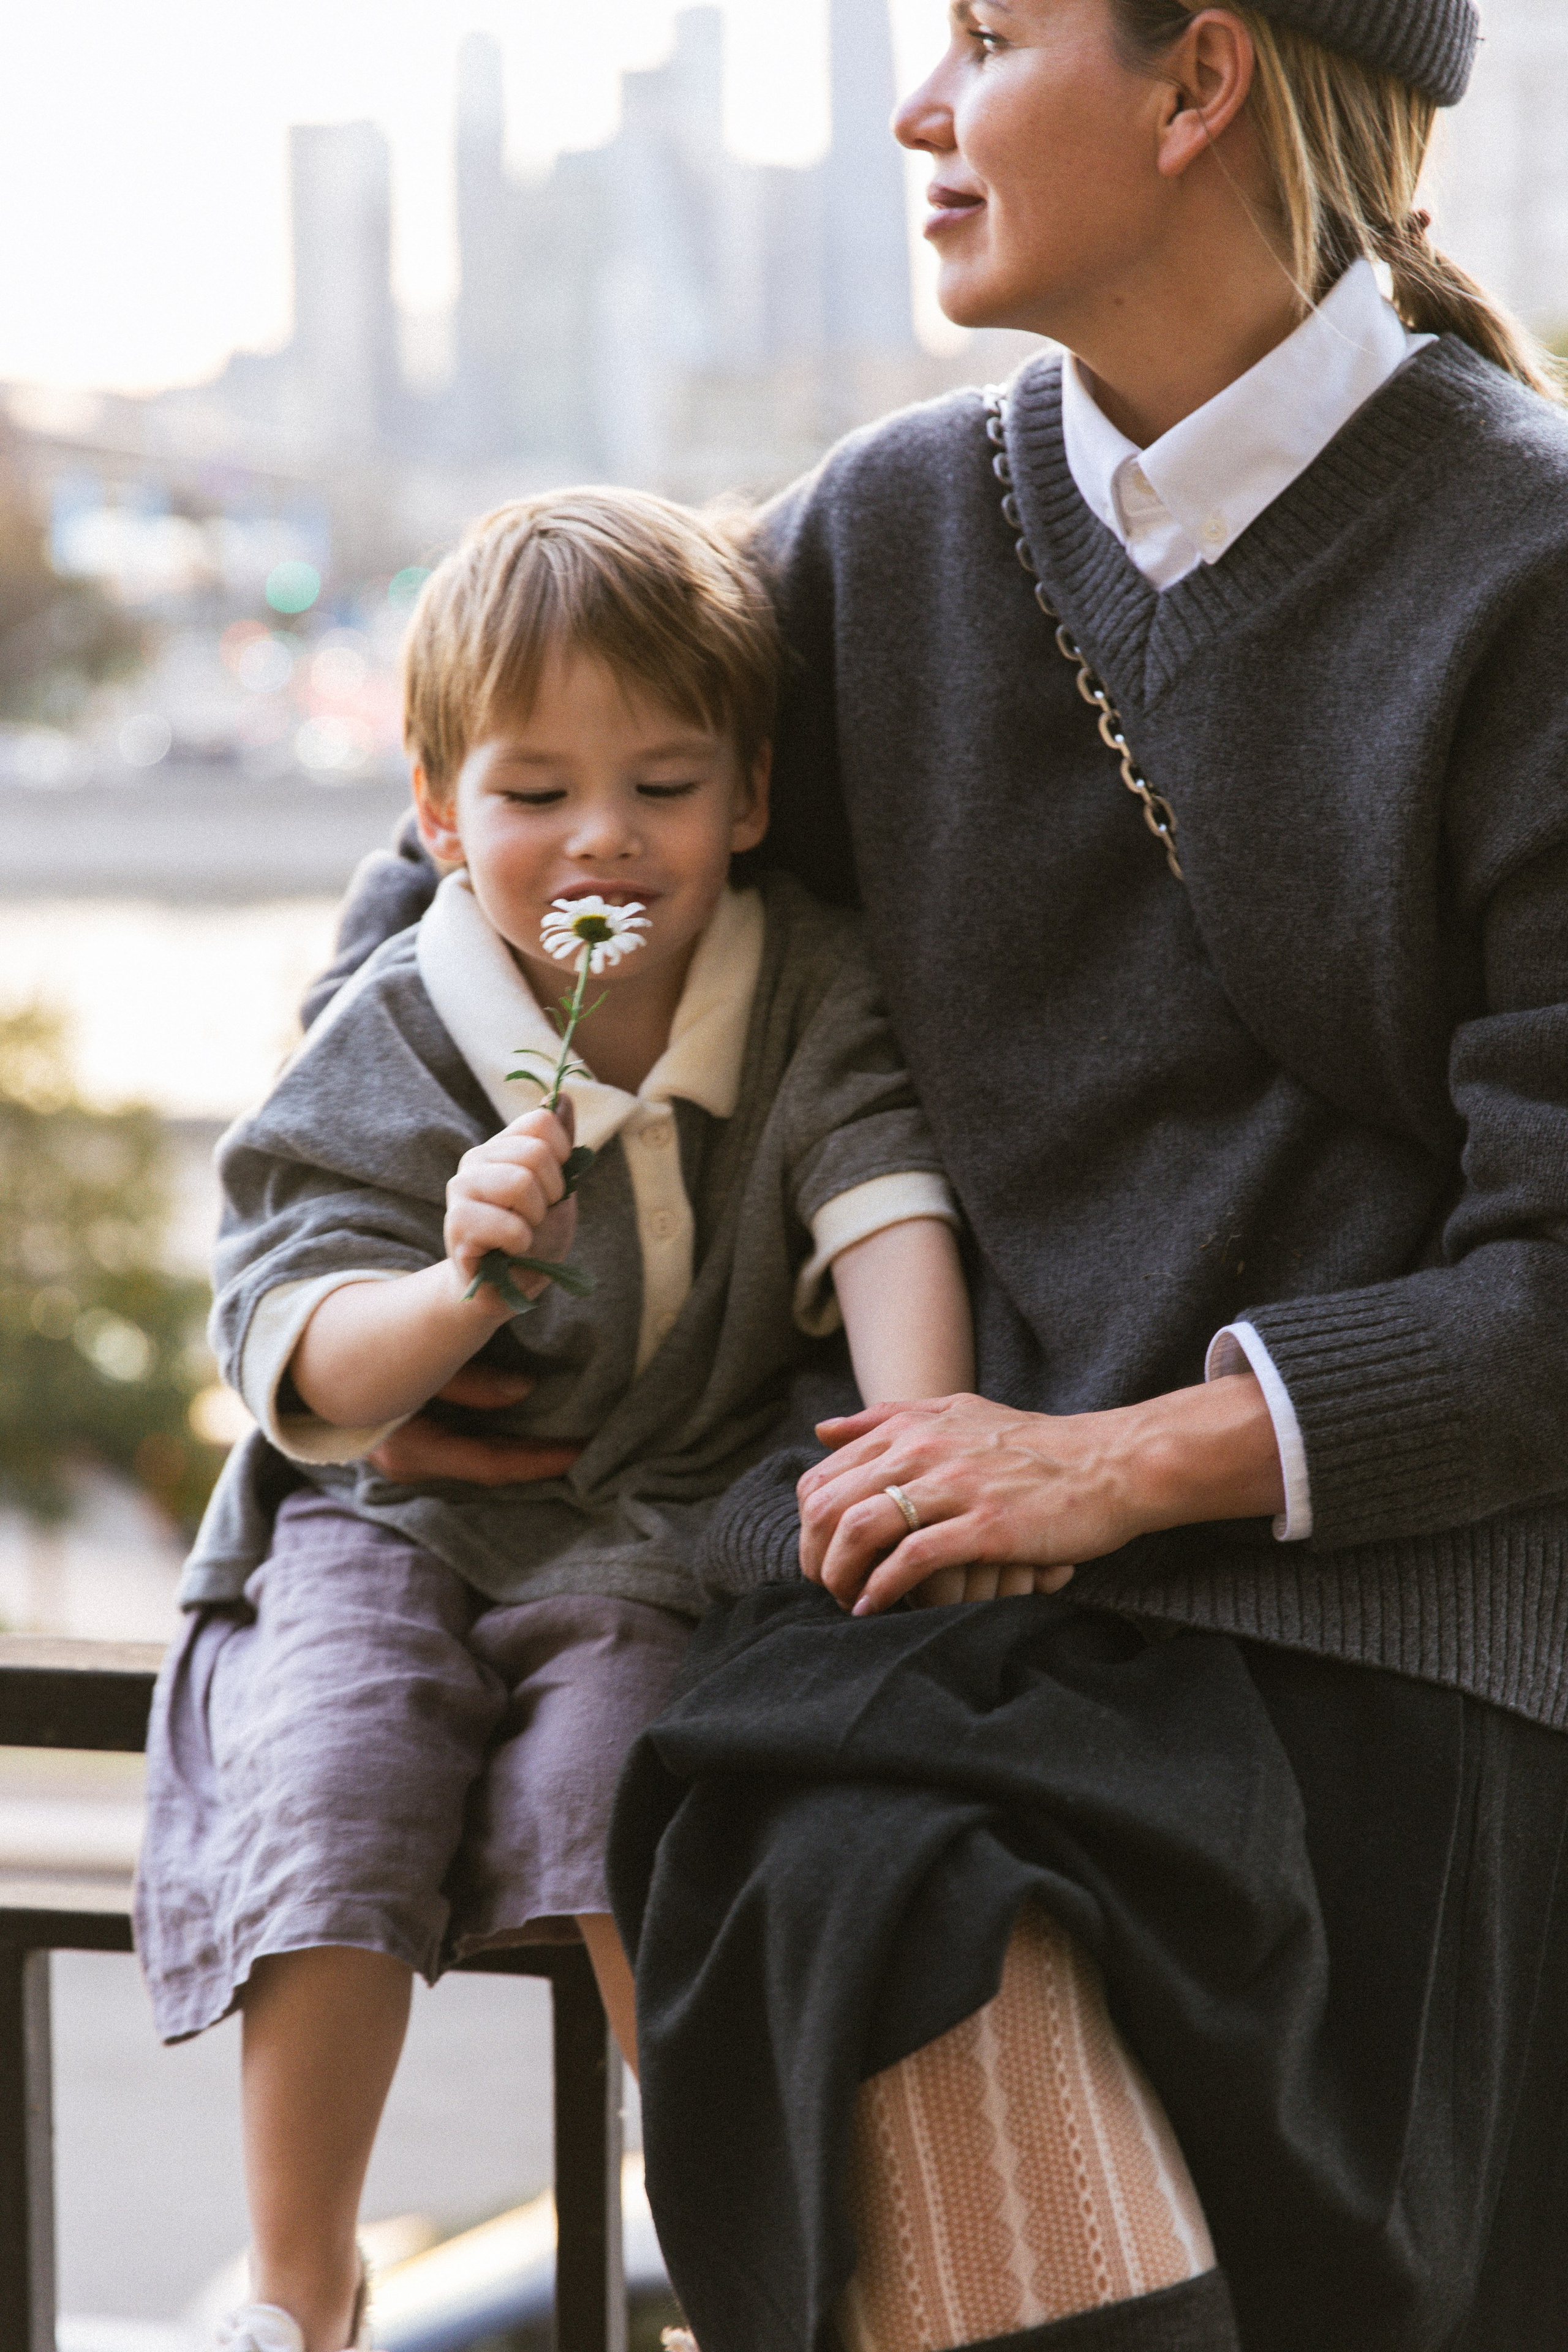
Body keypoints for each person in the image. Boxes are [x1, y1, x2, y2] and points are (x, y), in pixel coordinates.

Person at [325, 1, 1568, 2347]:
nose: (918, 107)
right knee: (843, 1858)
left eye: (988, 38)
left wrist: (1117, 1462)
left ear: (1199, 84)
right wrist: (419, 1306)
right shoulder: (895, 531)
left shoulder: (1526, 571)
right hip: (941, 1648)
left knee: (855, 1851)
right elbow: (454, 874)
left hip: (1388, 1662)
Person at [133, 489, 984, 2352]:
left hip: (651, 1518)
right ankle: (300, 2283)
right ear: (439, 817)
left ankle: (730, 2264)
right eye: (534, 798)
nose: (603, 838)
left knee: (633, 1807)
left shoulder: (805, 988)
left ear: (749, 799)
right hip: (393, 1524)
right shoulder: (406, 1024)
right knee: (338, 1774)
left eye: (663, 788)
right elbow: (286, 1325)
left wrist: (926, 1437)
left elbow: (884, 1191)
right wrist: (451, 1289)